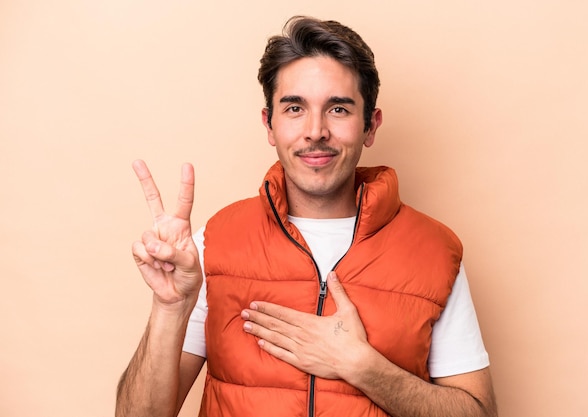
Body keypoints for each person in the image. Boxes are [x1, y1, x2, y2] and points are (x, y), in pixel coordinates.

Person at [116, 16, 497, 417]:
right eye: (295, 108)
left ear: (370, 125)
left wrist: (363, 367)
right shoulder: (213, 243)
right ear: (270, 124)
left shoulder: (433, 251)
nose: (315, 131)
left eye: (338, 108)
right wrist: (169, 308)